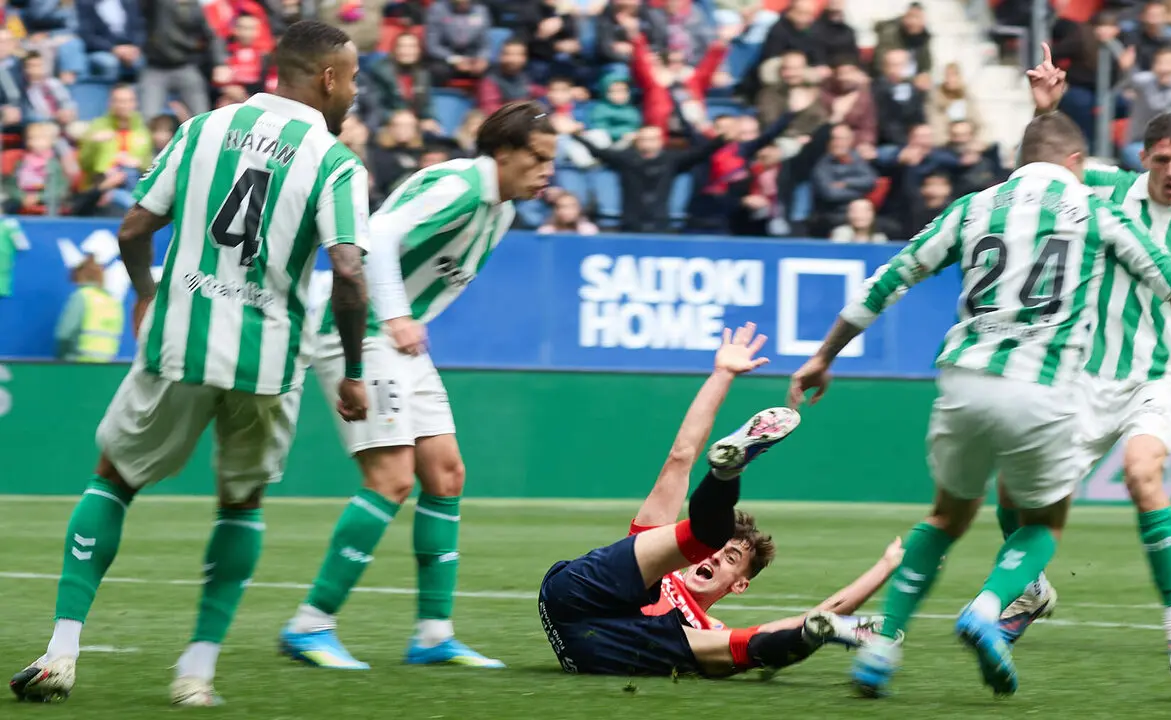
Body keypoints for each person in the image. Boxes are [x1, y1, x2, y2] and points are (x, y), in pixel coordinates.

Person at [787, 111, 1171, 699]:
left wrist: (822, 355)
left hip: (963, 379)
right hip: (1048, 385)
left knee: (945, 518)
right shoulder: (1099, 207)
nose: (1168, 170)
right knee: (1040, 523)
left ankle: (882, 651)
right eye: (1158, 158)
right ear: (1080, 165)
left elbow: (890, 277)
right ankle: (990, 605)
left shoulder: (973, 205)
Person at [9, 20, 373, 707]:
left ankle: (61, 651)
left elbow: (133, 228)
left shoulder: (203, 128)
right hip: (265, 363)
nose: (353, 92)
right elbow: (349, 273)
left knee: (114, 480)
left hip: (180, 341)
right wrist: (353, 370)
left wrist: (146, 295)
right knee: (241, 502)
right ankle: (196, 673)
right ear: (327, 77)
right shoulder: (334, 162)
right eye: (351, 79)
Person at [277, 101, 556, 671]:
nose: (548, 171)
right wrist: (399, 316)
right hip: (360, 328)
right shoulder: (457, 185)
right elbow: (374, 236)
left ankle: (432, 634)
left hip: (400, 337)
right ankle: (310, 624)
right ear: (503, 154)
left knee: (446, 474)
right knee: (391, 478)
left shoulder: (500, 212)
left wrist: (409, 323)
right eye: (539, 159)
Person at [996, 49, 1171, 651]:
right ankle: (1030, 588)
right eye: (1160, 159)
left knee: (1143, 475)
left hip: (1157, 379)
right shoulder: (1108, 189)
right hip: (1083, 374)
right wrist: (1050, 109)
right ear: (1143, 157)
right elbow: (1049, 167)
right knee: (1012, 490)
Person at [539, 323, 904, 678]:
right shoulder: (660, 571)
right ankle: (725, 473)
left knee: (742, 646)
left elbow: (821, 614)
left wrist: (888, 567)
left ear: (739, 584)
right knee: (702, 537)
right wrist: (723, 373)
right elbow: (680, 458)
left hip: (613, 649)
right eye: (722, 551)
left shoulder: (707, 629)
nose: (714, 558)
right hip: (574, 597)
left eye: (731, 558)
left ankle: (814, 635)